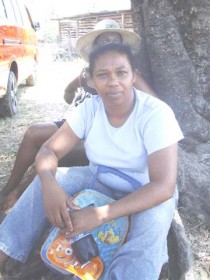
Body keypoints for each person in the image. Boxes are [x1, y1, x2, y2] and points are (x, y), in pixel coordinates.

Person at [0, 43, 183, 279]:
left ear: (134, 76)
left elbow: (163, 186)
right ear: (90, 81)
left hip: (147, 188)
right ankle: (5, 249)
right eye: (103, 75)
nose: (113, 82)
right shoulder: (89, 109)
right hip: (100, 178)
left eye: (121, 73)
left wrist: (101, 214)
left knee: (153, 226)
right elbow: (48, 150)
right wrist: (48, 183)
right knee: (52, 177)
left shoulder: (156, 114)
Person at [0, 19, 157, 212]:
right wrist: (75, 95)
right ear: (94, 47)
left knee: (58, 155)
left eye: (114, 40)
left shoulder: (128, 74)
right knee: (34, 132)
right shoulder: (87, 72)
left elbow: (155, 105)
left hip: (103, 136)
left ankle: (18, 195)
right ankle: (9, 187)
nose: (109, 44)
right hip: (78, 123)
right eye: (104, 41)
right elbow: (69, 91)